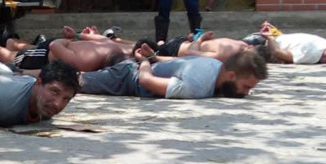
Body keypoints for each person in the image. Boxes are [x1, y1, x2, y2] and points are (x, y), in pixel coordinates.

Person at [80, 46, 267, 99]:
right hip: (128, 76)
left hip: (140, 66)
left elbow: (179, 62)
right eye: (245, 87)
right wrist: (144, 61)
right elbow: (145, 80)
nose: (246, 93)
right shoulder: (196, 85)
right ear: (231, 76)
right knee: (77, 82)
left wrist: (153, 58)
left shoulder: (215, 64)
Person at [0, 26, 132, 73]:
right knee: (11, 57)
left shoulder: (113, 46)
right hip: (50, 51)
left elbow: (90, 37)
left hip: (59, 47)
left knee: (14, 53)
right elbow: (54, 46)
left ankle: (10, 42)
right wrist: (65, 41)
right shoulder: (86, 63)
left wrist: (76, 35)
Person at [248, 21, 326, 64]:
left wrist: (274, 33)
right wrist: (270, 37)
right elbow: (278, 53)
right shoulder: (315, 54)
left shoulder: (323, 42)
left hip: (272, 38)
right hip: (263, 44)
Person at [144, 30, 269, 63]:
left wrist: (201, 39)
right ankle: (159, 44)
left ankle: (160, 45)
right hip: (181, 45)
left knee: (155, 46)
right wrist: (200, 39)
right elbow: (192, 54)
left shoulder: (229, 55)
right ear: (250, 47)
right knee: (152, 45)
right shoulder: (241, 44)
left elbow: (191, 55)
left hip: (176, 49)